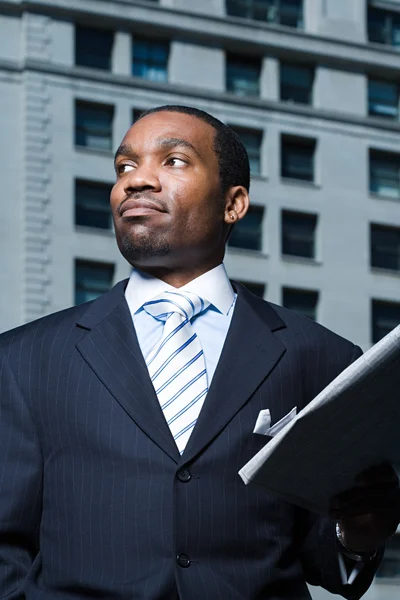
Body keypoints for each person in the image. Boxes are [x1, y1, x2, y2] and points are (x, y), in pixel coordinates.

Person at [0, 105, 399, 600]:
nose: (136, 180)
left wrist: (357, 536)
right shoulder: (24, 359)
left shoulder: (322, 357)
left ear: (233, 203)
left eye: (173, 161)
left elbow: (327, 549)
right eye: (124, 167)